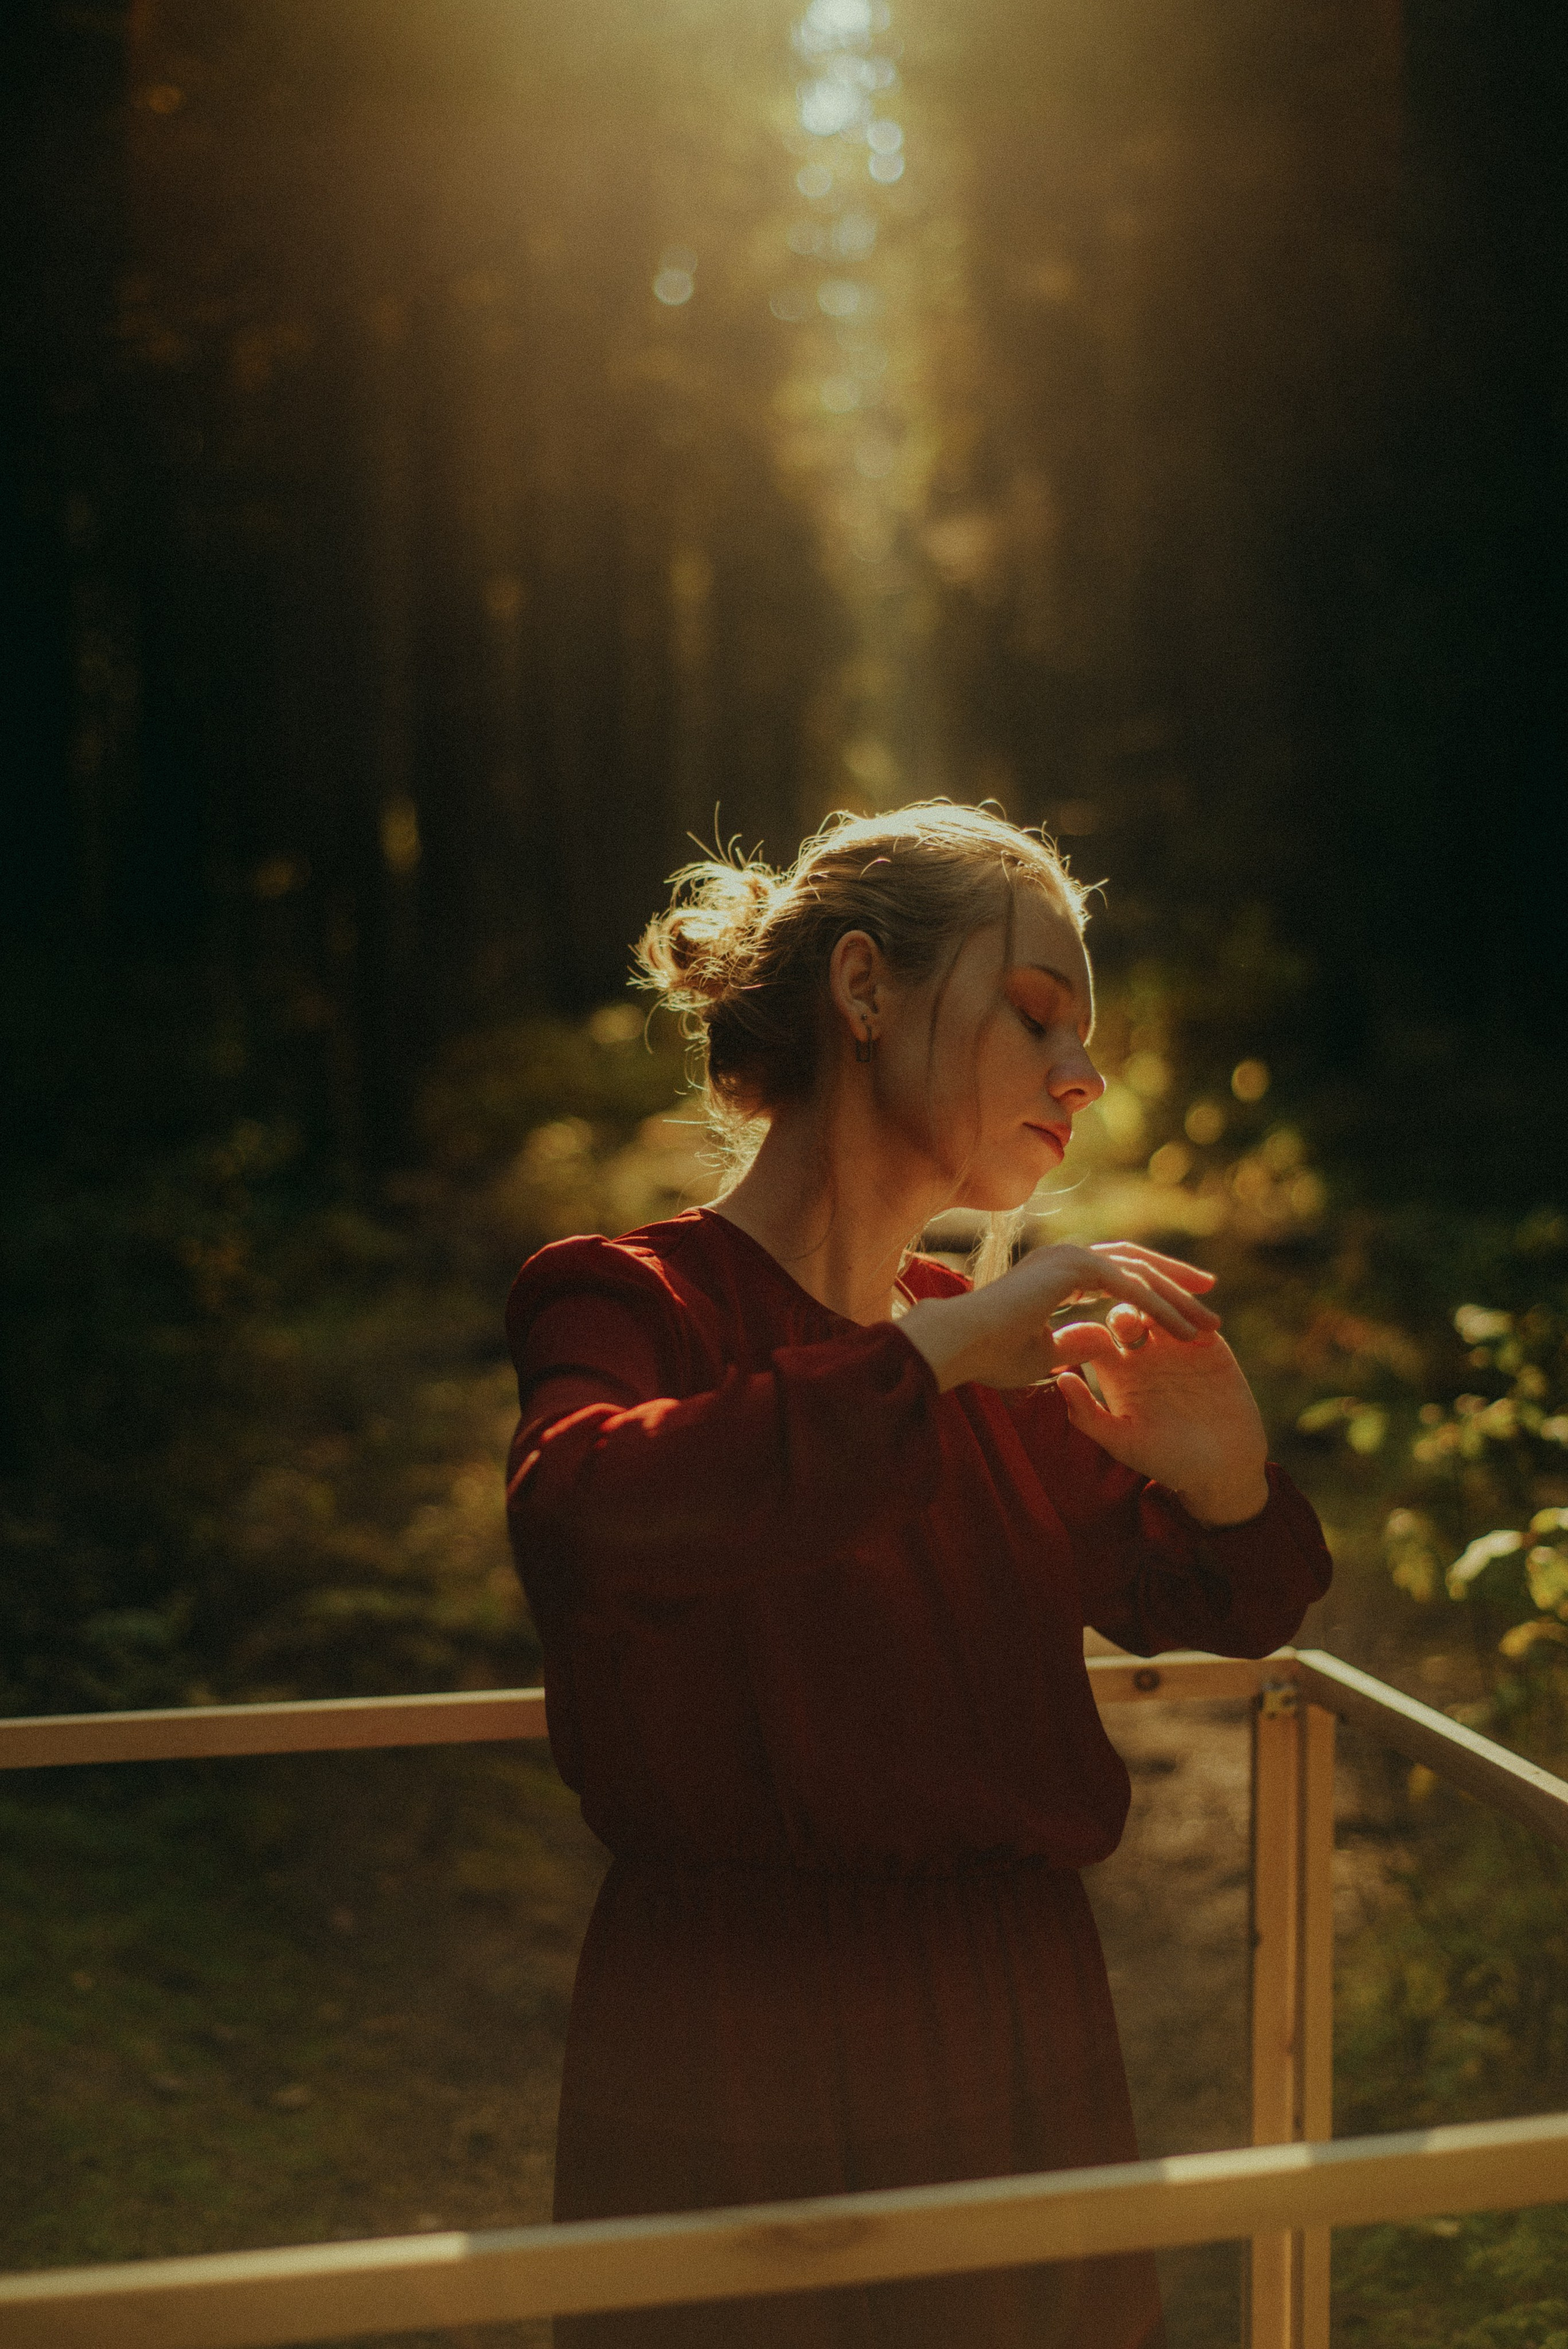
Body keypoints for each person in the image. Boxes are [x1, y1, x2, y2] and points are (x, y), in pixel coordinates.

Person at [504, 802, 1332, 2348]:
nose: (1080, 1078)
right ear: (864, 988)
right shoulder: (627, 1296)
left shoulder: (994, 1339)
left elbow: (1220, 1600)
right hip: (725, 2041)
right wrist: (933, 1351)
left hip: (1017, 2030)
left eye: (1085, 1039)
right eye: (1034, 1018)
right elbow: (581, 1515)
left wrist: (1220, 1474)